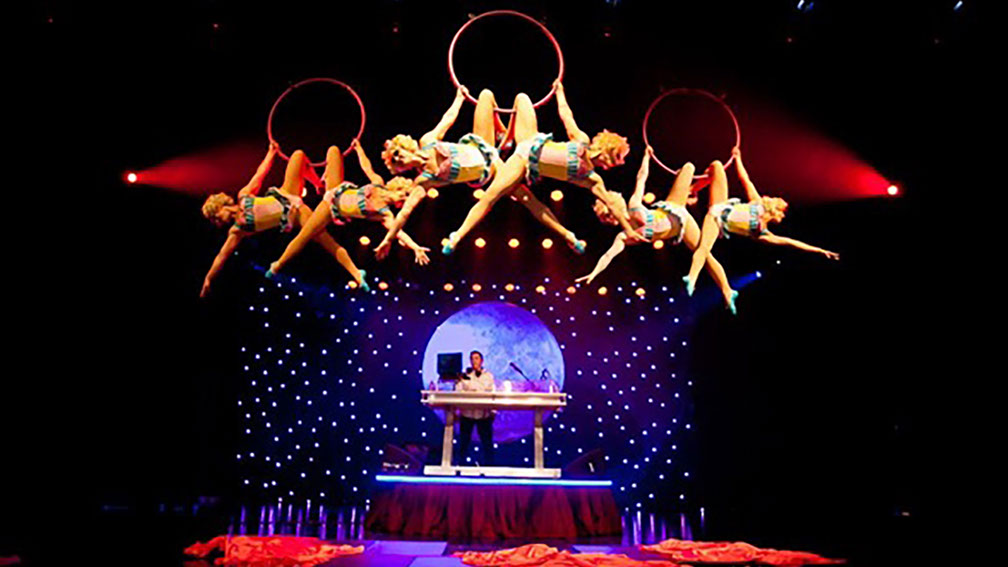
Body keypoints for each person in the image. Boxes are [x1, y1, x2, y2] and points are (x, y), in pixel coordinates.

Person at [440, 80, 644, 255]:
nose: (618, 163)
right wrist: (559, 92)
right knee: (521, 98)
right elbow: (566, 116)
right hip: (529, 139)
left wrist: (628, 229)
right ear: (608, 149)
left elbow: (611, 203)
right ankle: (506, 136)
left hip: (523, 161)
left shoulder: (590, 178)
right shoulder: (581, 141)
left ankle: (456, 237)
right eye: (619, 157)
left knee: (506, 198)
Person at [577, 147, 739, 312]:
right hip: (677, 214)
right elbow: (608, 256)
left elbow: (642, 177)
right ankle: (692, 190)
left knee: (705, 254)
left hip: (678, 217)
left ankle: (727, 290)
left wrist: (646, 157)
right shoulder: (628, 225)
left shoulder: (629, 223)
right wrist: (594, 273)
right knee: (688, 167)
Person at [199, 142, 365, 296]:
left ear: (221, 206)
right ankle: (356, 273)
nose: (219, 221)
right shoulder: (237, 230)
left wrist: (271, 153)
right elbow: (222, 255)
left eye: (217, 216)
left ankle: (318, 184)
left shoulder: (243, 196)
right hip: (294, 214)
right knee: (326, 241)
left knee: (298, 155)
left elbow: (259, 174)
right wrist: (209, 277)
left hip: (286, 193)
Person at [265, 140, 431, 286]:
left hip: (331, 207)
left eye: (405, 198)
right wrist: (358, 149)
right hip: (337, 188)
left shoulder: (384, 213)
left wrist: (415, 247)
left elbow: (398, 232)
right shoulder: (378, 183)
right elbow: (366, 167)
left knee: (305, 235)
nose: (403, 197)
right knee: (334, 150)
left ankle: (277, 265)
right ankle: (320, 182)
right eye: (405, 194)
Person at [684, 147, 840, 299]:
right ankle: (692, 190)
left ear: (776, 210)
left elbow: (791, 242)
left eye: (777, 200)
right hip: (721, 204)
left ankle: (693, 279)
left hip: (716, 220)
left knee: (704, 249)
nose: (774, 198)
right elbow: (745, 179)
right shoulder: (757, 203)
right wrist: (738, 158)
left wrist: (819, 250)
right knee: (716, 166)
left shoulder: (762, 232)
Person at [373, 86, 505, 258]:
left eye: (397, 153)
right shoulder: (424, 181)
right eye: (395, 161)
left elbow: (447, 119)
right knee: (522, 192)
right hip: (490, 169)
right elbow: (404, 213)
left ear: (404, 146)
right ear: (401, 169)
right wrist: (388, 239)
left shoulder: (427, 141)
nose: (399, 158)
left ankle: (502, 132)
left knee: (486, 95)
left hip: (482, 145)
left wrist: (459, 98)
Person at [457, 350, 495, 466]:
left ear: (481, 361)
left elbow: (488, 391)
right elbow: (459, 391)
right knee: (464, 443)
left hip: (483, 413)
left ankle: (489, 467)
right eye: (472, 359)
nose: (474, 361)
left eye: (476, 358)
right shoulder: (465, 376)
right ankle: (461, 466)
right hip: (467, 413)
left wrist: (471, 388)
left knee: (487, 442)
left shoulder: (488, 376)